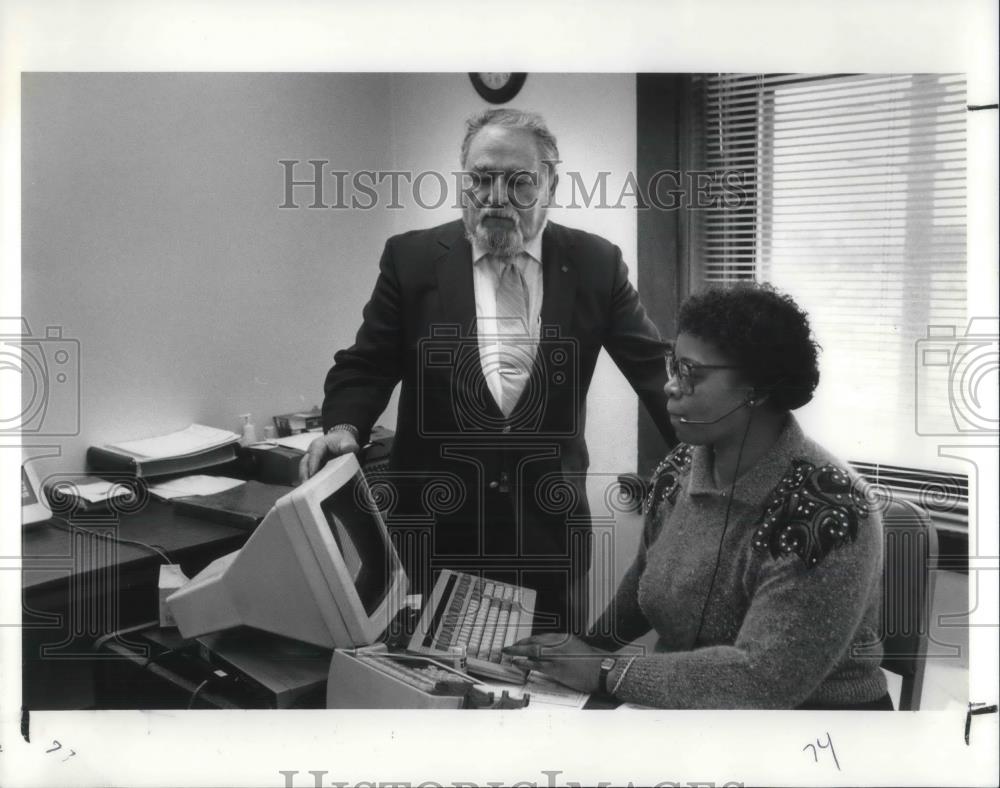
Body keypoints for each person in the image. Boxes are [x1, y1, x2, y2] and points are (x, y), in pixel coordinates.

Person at [300, 108, 675, 634]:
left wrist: (715, 456)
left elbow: (657, 372)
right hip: (434, 539)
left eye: (518, 181)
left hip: (545, 541)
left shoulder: (595, 263)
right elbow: (366, 363)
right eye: (481, 179)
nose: (495, 197)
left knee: (543, 697)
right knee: (432, 696)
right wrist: (343, 428)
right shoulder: (411, 260)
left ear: (550, 184)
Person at [505, 283, 892, 709]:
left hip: (812, 728)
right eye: (674, 366)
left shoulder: (828, 511)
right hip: (690, 709)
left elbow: (762, 680)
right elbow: (643, 587)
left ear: (758, 389)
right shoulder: (681, 465)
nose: (671, 386)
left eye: (693, 373)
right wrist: (572, 654)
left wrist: (603, 671)